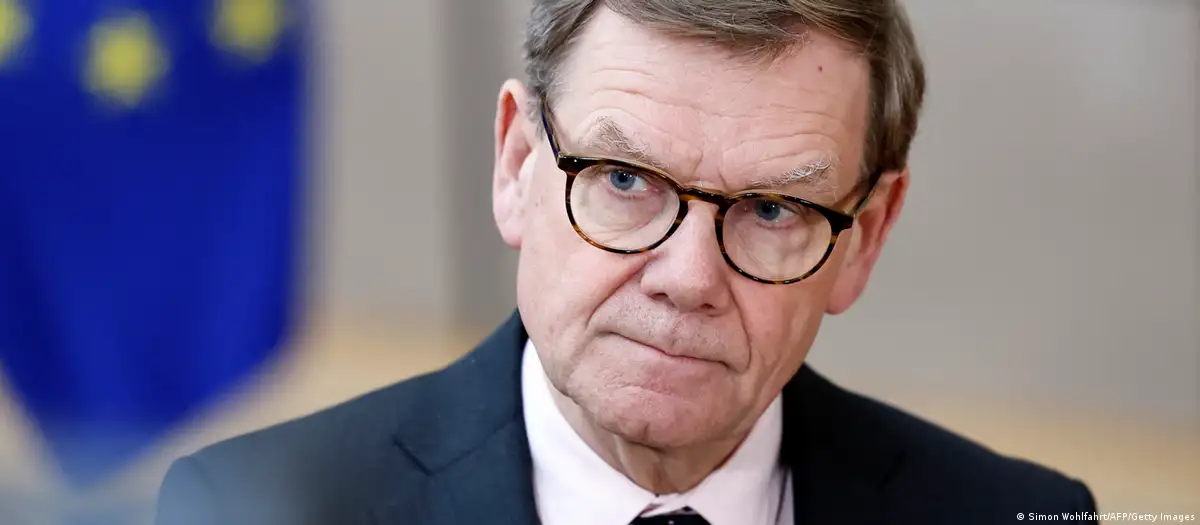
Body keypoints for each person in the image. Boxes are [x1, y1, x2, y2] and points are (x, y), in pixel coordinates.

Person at [156, 1, 1101, 524]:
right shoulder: (253, 512)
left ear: (867, 234)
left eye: (772, 208)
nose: (686, 278)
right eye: (624, 179)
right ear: (517, 164)